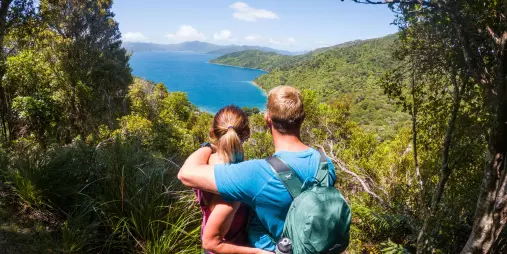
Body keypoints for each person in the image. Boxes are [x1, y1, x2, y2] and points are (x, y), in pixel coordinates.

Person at [178, 86, 336, 251]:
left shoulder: (256, 173)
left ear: (267, 119)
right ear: (302, 118)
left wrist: (208, 147)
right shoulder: (325, 164)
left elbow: (186, 174)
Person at [194, 105, 270, 254]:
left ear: (212, 133)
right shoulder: (240, 176)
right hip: (231, 247)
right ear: (247, 133)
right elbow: (213, 242)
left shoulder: (201, 164)